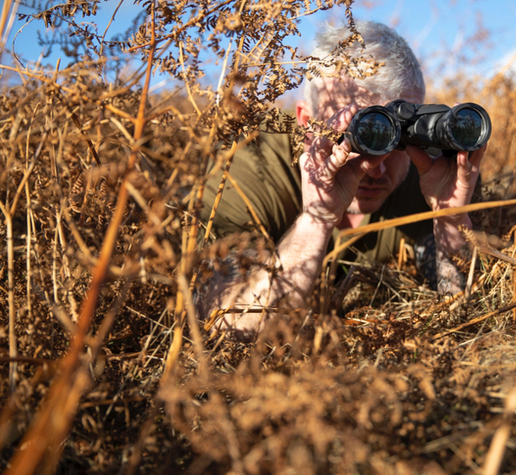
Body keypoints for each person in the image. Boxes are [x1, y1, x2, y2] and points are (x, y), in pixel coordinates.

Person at [196, 21, 487, 339]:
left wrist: (450, 219)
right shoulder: (254, 170)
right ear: (308, 122)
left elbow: (469, 310)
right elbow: (228, 324)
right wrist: (315, 221)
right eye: (356, 138)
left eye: (398, 141)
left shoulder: (434, 174)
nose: (376, 169)